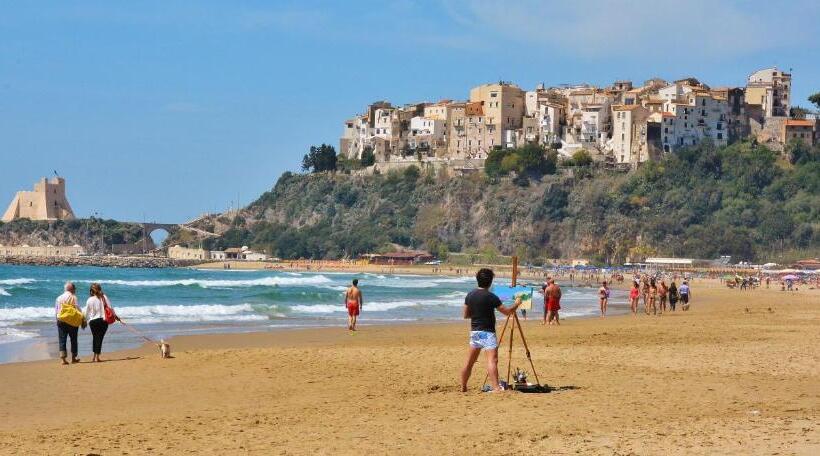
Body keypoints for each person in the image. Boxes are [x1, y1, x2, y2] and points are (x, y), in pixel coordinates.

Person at [460, 268, 520, 392]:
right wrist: (517, 303)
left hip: (475, 332)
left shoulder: (470, 295)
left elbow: (465, 315)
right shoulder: (491, 297)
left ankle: (463, 386)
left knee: (469, 362)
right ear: (490, 282)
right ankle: (496, 387)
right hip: (487, 332)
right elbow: (507, 312)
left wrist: (478, 313)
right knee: (492, 360)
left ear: (478, 280)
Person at [84, 283, 119, 362]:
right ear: (100, 289)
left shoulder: (89, 300)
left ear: (91, 291)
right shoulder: (104, 297)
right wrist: (116, 316)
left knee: (95, 337)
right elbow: (110, 308)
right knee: (99, 338)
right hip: (103, 321)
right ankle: (97, 357)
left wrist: (85, 320)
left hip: (92, 322)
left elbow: (86, 312)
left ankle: (94, 356)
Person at [55, 282, 82, 365]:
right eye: (75, 289)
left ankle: (63, 359)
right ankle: (73, 358)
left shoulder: (58, 298)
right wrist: (81, 318)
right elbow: (77, 309)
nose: (75, 290)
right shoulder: (73, 297)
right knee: (73, 339)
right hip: (72, 321)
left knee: (62, 339)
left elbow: (56, 310)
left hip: (61, 320)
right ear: (72, 289)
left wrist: (57, 319)